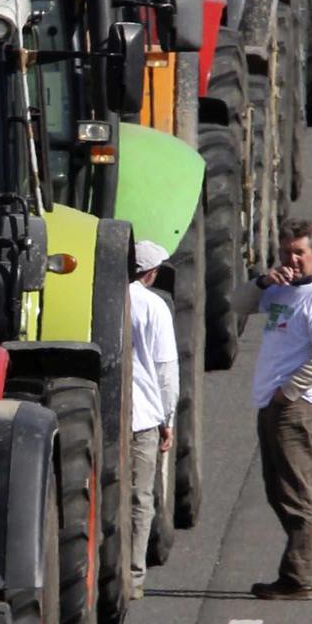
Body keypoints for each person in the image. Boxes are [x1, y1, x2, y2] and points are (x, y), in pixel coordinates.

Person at [232, 218, 312, 601]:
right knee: (279, 490)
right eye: (286, 252)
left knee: (294, 495)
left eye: (299, 252)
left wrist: (288, 392)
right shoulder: (283, 289)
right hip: (272, 401)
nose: (293, 260)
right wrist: (264, 281)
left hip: (295, 406)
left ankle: (298, 579)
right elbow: (236, 305)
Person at [129, 240, 179, 600]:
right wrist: (168, 418)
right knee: (140, 498)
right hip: (144, 415)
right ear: (150, 272)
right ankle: (133, 575)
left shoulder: (102, 297)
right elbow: (165, 372)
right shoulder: (154, 307)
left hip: (113, 413)